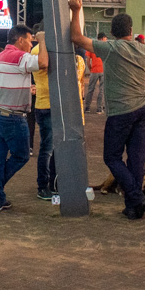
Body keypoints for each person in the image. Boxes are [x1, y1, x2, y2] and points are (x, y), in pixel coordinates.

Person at [69, 0, 145, 220]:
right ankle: (133, 208)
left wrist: (76, 10)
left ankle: (136, 198)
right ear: (131, 30)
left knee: (112, 157)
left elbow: (76, 38)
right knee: (136, 157)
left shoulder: (111, 48)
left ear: (113, 33)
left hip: (121, 111)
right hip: (143, 108)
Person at [0, 25, 47, 212]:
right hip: (13, 116)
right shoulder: (21, 57)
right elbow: (43, 63)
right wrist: (42, 40)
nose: (31, 43)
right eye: (30, 39)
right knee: (22, 155)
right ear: (20, 40)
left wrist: (24, 89)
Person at [31, 27, 86, 200]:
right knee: (48, 149)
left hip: (65, 106)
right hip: (48, 104)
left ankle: (55, 182)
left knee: (60, 148)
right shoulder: (39, 49)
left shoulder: (75, 58)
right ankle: (43, 185)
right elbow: (44, 64)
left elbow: (78, 81)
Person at [84, 33, 107, 114]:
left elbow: (88, 60)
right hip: (103, 70)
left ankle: (87, 107)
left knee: (90, 89)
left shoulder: (92, 46)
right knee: (102, 90)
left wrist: (91, 69)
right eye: (105, 38)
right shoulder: (105, 47)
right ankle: (99, 108)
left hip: (94, 70)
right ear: (103, 38)